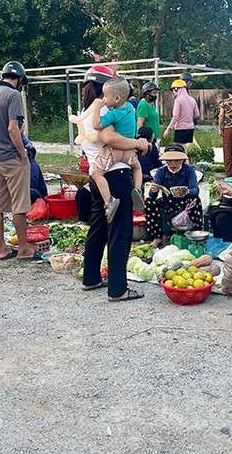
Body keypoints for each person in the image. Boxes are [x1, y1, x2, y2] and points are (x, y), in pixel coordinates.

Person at [77, 65, 150, 302]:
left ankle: (91, 278)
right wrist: (138, 144)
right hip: (116, 176)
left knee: (98, 228)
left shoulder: (88, 111)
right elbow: (109, 138)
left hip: (97, 177)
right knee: (120, 232)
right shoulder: (104, 111)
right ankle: (118, 289)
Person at [0, 60, 40, 261]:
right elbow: (12, 128)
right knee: (20, 205)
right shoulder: (13, 95)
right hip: (12, 157)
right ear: (20, 78)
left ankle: (1, 248)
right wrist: (22, 153)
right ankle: (24, 249)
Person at [89, 76, 145, 223]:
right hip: (130, 152)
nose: (104, 99)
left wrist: (97, 108)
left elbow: (97, 125)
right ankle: (137, 190)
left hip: (115, 151)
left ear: (117, 98)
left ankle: (109, 201)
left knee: (97, 173)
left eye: (106, 96)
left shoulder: (113, 114)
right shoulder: (130, 109)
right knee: (137, 168)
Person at [144, 144, 204, 248]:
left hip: (185, 202)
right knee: (149, 202)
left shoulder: (188, 170)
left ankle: (195, 234)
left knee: (196, 200)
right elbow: (152, 195)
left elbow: (195, 189)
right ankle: (157, 237)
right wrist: (153, 191)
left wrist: (187, 193)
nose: (173, 164)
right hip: (167, 203)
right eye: (170, 161)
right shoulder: (161, 171)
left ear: (182, 160)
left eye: (176, 160)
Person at [163, 79, 199, 144]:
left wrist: (168, 129)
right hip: (190, 128)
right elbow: (197, 115)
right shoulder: (192, 100)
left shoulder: (178, 100)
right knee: (186, 148)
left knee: (180, 148)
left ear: (176, 89)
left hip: (180, 128)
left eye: (173, 90)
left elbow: (175, 116)